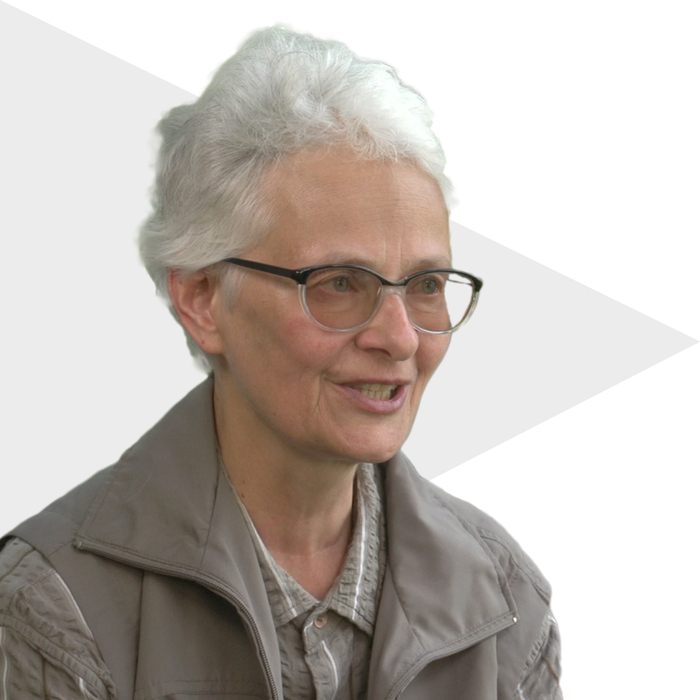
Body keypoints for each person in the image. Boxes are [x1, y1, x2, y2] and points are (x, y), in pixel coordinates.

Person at [0, 27, 561, 700]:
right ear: (202, 298)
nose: (401, 338)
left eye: (426, 284)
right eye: (340, 283)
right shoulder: (58, 605)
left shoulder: (505, 605)